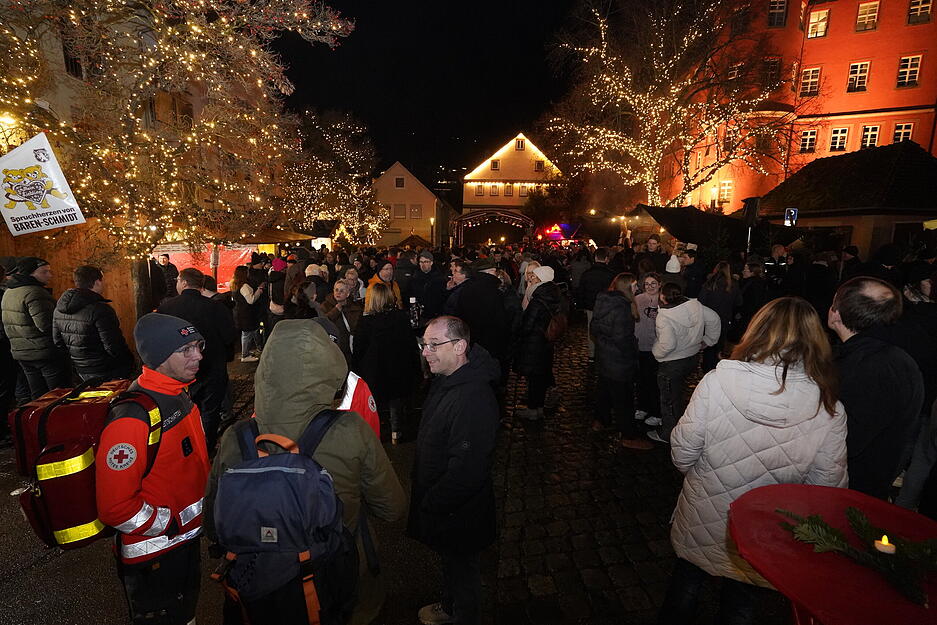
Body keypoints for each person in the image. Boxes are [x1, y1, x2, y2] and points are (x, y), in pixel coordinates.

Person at [205, 319, 407, 625]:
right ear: (329, 366)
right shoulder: (350, 430)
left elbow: (212, 523)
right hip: (338, 583)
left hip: (259, 587)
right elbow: (392, 508)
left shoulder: (238, 436)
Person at [660, 297, 847, 625]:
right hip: (765, 528)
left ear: (757, 330)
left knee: (685, 585)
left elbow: (682, 452)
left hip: (706, 511)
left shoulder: (716, 382)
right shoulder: (829, 409)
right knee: (742, 600)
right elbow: (826, 488)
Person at [96, 313, 210, 625]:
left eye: (198, 345)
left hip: (184, 541)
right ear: (159, 357)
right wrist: (168, 523)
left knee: (186, 615)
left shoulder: (179, 394)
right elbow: (116, 507)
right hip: (154, 556)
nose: (198, 355)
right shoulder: (133, 418)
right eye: (185, 349)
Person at [409, 317, 500, 625]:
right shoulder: (449, 379)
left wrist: (433, 501)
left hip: (459, 511)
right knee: (453, 565)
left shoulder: (472, 397)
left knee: (463, 572)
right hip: (449, 508)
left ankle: (460, 614)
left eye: (434, 345)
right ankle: (449, 606)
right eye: (424, 344)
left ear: (460, 346)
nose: (426, 352)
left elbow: (468, 469)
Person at [828, 277, 924, 499]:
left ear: (837, 313)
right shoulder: (887, 356)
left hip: (853, 491)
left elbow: (847, 439)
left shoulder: (872, 367)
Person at [158, 267, 237, 452]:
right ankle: (206, 446)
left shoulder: (166, 308)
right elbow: (228, 335)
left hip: (178, 370)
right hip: (212, 366)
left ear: (184, 282)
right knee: (210, 410)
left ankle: (185, 447)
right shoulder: (215, 306)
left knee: (182, 409)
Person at [649, 282, 721, 444]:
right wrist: (708, 340)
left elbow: (668, 344)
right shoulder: (696, 306)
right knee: (678, 394)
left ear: (662, 296)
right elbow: (715, 319)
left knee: (669, 399)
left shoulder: (664, 316)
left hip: (672, 363)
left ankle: (668, 434)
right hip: (692, 357)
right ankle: (679, 424)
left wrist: (656, 353)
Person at [591, 273, 653, 450]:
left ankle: (600, 420)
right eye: (634, 286)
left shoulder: (604, 301)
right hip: (619, 360)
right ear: (627, 288)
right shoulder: (622, 308)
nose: (637, 289)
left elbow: (594, 329)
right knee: (624, 399)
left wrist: (603, 345)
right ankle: (628, 435)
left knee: (604, 390)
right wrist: (632, 352)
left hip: (605, 356)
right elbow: (622, 339)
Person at [353, 282, 420, 444]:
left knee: (376, 403)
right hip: (397, 367)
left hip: (374, 370)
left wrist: (356, 371)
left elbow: (358, 349)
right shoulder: (401, 318)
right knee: (395, 401)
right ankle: (396, 431)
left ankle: (377, 433)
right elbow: (410, 344)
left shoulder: (365, 323)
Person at [1, 257, 69, 399]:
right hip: (44, 353)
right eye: (44, 272)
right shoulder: (35, 293)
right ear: (31, 274)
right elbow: (47, 325)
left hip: (21, 352)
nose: (49, 275)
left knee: (37, 395)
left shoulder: (9, 291)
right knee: (58, 395)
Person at [52, 265, 133, 382]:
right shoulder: (101, 309)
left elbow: (58, 342)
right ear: (97, 282)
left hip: (81, 370)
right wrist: (129, 362)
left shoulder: (58, 310)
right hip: (107, 369)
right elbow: (113, 346)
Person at [513, 265, 562, 421]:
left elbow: (527, 325)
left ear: (541, 279)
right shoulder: (553, 294)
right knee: (541, 376)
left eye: (534, 277)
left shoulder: (538, 300)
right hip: (546, 343)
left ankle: (533, 409)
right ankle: (538, 406)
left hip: (534, 344)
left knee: (534, 378)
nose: (530, 279)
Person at [697, 261, 741, 373]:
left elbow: (701, 301)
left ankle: (707, 366)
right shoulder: (733, 284)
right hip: (725, 318)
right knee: (720, 344)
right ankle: (716, 366)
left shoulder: (709, 283)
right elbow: (739, 302)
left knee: (709, 343)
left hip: (709, 319)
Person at [577, 248, 616, 361]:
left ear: (595, 258)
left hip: (591, 306)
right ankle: (604, 352)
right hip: (607, 306)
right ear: (606, 259)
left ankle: (592, 354)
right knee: (607, 329)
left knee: (591, 329)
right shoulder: (611, 274)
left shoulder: (587, 274)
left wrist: (581, 305)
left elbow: (581, 290)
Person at [635, 273, 662, 426]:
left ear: (659, 284)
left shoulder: (663, 300)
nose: (650, 286)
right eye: (647, 284)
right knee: (640, 379)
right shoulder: (638, 300)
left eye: (653, 283)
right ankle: (642, 407)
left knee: (654, 381)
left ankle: (656, 411)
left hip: (656, 347)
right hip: (640, 345)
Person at [321, 278, 363, 363]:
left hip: (348, 348)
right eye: (336, 290)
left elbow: (356, 327)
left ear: (347, 294)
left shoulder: (354, 307)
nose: (338, 293)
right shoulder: (325, 306)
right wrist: (335, 311)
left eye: (342, 291)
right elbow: (322, 323)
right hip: (332, 346)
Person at [231, 265, 264, 362]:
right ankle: (245, 355)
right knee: (247, 334)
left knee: (249, 333)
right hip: (247, 314)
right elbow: (251, 300)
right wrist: (259, 290)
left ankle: (248, 352)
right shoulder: (244, 286)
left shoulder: (235, 284)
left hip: (241, 312)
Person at [409, 250, 448, 321]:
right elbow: (410, 294)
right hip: (419, 313)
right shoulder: (414, 277)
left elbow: (442, 297)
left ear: (431, 262)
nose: (423, 264)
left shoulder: (439, 278)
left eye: (426, 262)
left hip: (435, 315)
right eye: (421, 262)